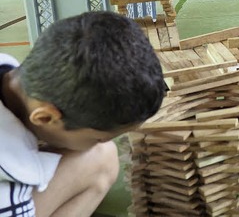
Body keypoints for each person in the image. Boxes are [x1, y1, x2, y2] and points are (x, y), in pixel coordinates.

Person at [0, 11, 166, 217]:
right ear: (44, 117)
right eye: (97, 138)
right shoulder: (7, 194)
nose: (101, 142)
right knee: (101, 159)